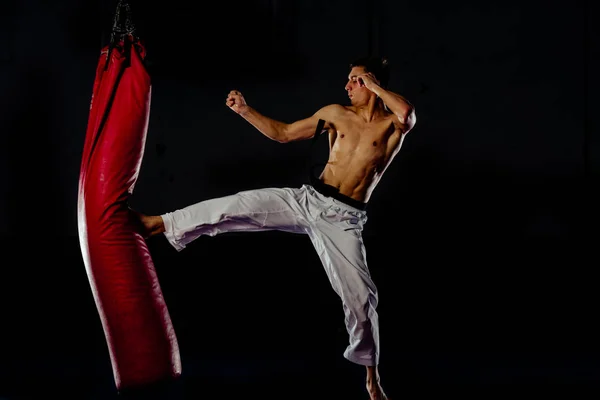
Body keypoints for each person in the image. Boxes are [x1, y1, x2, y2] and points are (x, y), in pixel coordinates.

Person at [136, 56, 416, 400]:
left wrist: (371, 83)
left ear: (369, 82)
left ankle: (371, 376)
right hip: (309, 200)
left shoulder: (391, 125)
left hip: (345, 220)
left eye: (352, 80)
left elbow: (406, 115)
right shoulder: (336, 114)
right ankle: (159, 223)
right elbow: (283, 134)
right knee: (237, 205)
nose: (346, 86)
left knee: (361, 298)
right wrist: (245, 111)